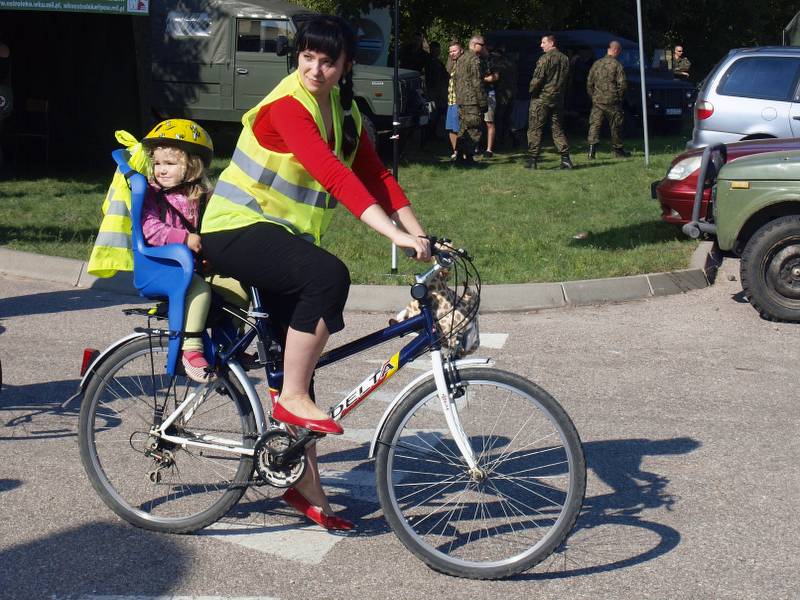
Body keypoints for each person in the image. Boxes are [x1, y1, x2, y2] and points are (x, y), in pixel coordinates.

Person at [199, 15, 431, 530]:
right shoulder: (288, 105)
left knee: (293, 361)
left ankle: (304, 485)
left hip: (278, 237)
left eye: (327, 61)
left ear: (346, 65)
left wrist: (421, 236)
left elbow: (376, 175)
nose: (314, 69)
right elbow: (332, 173)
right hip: (234, 227)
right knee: (327, 278)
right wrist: (391, 235)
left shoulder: (345, 111)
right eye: (307, 57)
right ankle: (293, 400)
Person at [140, 119, 250, 383]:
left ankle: (226, 350)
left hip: (196, 266)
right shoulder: (153, 196)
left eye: (169, 163)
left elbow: (214, 225)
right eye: (157, 163)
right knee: (200, 290)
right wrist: (183, 238)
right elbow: (149, 229)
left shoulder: (201, 195)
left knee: (239, 289)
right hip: (165, 267)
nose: (161, 169)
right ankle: (191, 350)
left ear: (192, 165)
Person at [526, 34, 572, 170]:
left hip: (542, 98)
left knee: (535, 129)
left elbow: (537, 79)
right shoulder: (565, 58)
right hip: (557, 98)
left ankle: (532, 160)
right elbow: (568, 79)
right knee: (557, 129)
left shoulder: (545, 58)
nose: (541, 45)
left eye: (543, 42)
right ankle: (565, 159)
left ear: (551, 43)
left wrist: (531, 91)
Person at [586, 40, 631, 159]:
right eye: (619, 51)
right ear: (616, 50)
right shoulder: (617, 65)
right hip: (613, 101)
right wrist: (619, 97)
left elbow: (589, 83)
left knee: (595, 125)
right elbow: (623, 84)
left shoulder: (596, 64)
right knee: (616, 125)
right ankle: (618, 150)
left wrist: (593, 97)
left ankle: (591, 152)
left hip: (597, 101)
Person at [453, 35, 487, 166]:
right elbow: (477, 82)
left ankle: (459, 157)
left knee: (463, 130)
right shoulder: (474, 59)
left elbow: (455, 79)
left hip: (462, 100)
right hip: (472, 101)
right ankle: (469, 158)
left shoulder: (461, 58)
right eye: (482, 45)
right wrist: (483, 102)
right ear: (474, 44)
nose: (483, 48)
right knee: (473, 129)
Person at [444, 40, 464, 161]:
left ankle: (463, 152)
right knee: (451, 128)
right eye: (450, 51)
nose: (452, 53)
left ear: (461, 51)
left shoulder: (464, 64)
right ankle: (455, 151)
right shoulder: (451, 65)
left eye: (454, 51)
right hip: (450, 100)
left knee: (459, 128)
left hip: (460, 101)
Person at [480, 42, 500, 158]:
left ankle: (489, 149)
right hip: (477, 93)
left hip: (489, 93)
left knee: (489, 122)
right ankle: (476, 146)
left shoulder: (493, 60)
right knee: (476, 121)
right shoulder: (476, 59)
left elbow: (495, 77)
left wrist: (482, 79)